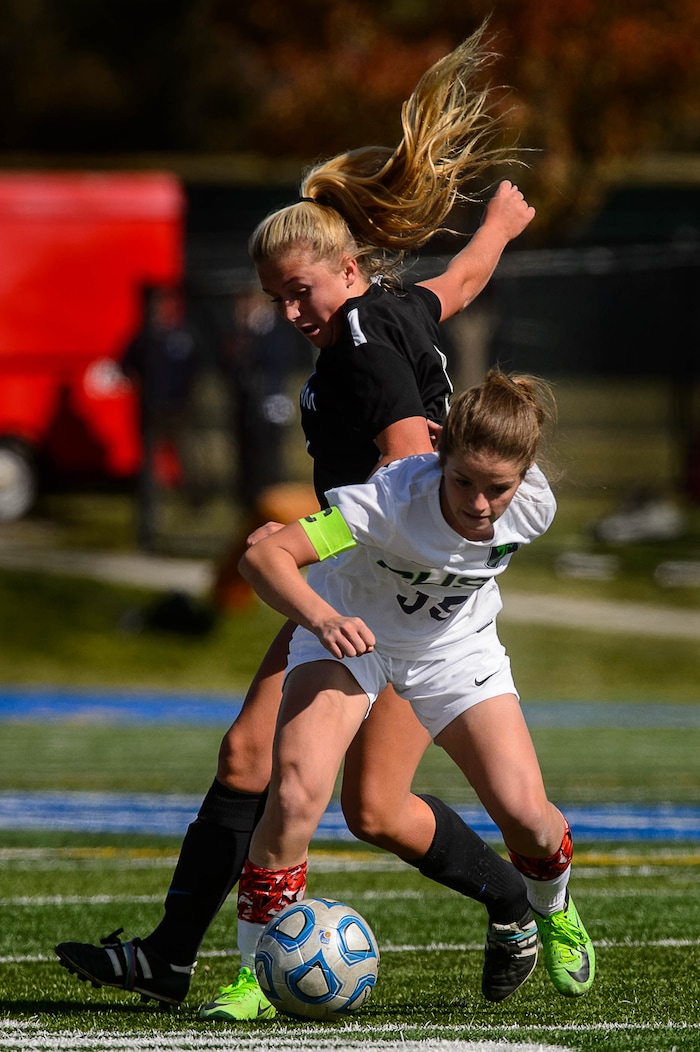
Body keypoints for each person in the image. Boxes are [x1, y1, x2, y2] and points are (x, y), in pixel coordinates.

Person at [55, 24, 540, 1018]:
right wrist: (495, 228)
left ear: (345, 268)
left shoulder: (361, 334)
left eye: (298, 291)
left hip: (396, 587)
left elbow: (410, 448)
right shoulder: (392, 309)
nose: (290, 312)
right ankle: (181, 958)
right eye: (278, 299)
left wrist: (400, 523)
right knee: (278, 768)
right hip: (368, 571)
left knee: (351, 798)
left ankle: (509, 902)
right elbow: (456, 286)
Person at [234, 371, 595, 1004]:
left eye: (497, 488)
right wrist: (321, 617)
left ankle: (554, 909)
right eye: (462, 481)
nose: (479, 504)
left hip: (456, 651)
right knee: (294, 797)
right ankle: (254, 975)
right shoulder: (389, 503)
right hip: (349, 638)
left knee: (529, 821)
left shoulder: (535, 506)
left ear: (525, 476)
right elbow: (264, 560)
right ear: (439, 458)